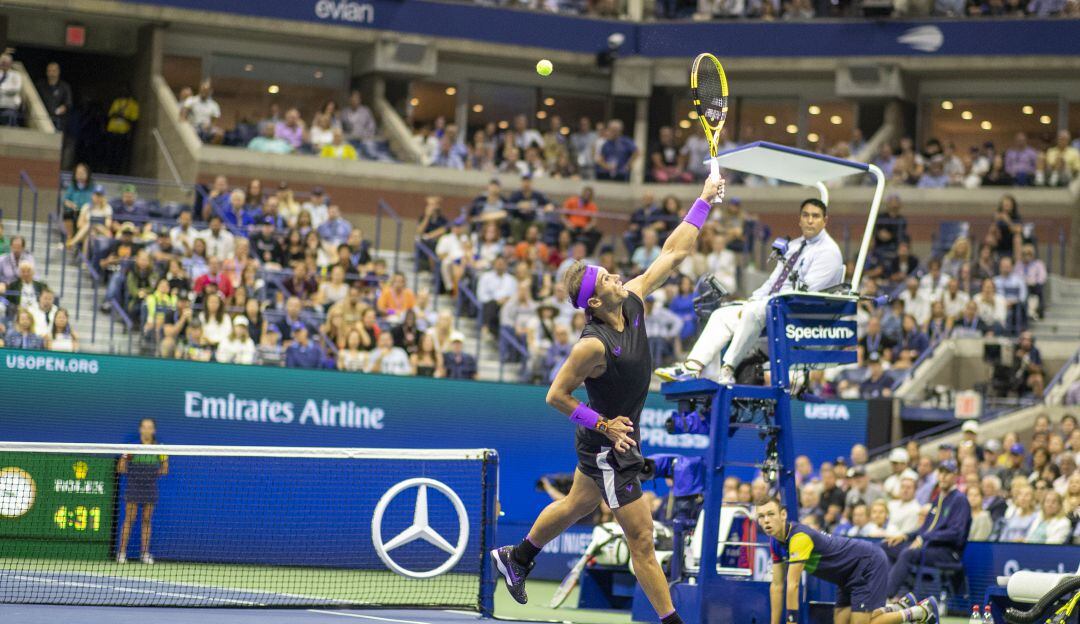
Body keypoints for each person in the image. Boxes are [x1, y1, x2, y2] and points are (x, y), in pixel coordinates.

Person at [489, 174, 724, 624]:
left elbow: (673, 252)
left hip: (613, 438)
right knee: (642, 541)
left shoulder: (632, 300)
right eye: (606, 278)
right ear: (595, 301)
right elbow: (555, 395)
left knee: (577, 504)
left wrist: (703, 199)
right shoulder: (592, 346)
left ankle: (517, 557)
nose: (616, 276)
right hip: (608, 447)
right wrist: (604, 425)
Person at [656, 197, 844, 384]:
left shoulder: (829, 252)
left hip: (798, 314)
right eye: (806, 215)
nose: (810, 220)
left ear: (825, 220)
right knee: (722, 314)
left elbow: (806, 293)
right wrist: (753, 300)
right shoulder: (794, 246)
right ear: (800, 219)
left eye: (815, 216)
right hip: (771, 307)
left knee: (754, 311)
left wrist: (763, 304)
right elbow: (773, 281)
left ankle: (728, 370)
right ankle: (692, 368)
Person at [757, 497, 939, 624]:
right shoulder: (775, 542)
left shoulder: (799, 537)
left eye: (771, 514)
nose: (766, 520)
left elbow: (793, 585)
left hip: (867, 563)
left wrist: (791, 621)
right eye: (761, 516)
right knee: (842, 621)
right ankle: (898, 606)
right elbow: (777, 586)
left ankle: (921, 611)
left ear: (783, 515)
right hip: (845, 575)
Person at [882, 459, 971, 600]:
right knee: (887, 546)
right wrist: (905, 536)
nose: (943, 476)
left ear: (955, 476)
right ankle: (900, 591)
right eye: (941, 472)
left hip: (948, 552)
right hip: (929, 547)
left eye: (947, 473)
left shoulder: (959, 499)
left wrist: (924, 538)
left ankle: (886, 596)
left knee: (908, 553)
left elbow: (956, 533)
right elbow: (924, 530)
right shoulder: (938, 499)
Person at [116, 418, 168, 565]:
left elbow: (165, 469)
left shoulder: (160, 449)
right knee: (129, 519)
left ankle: (145, 553)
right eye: (144, 427)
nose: (147, 430)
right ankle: (121, 553)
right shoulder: (132, 447)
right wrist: (134, 473)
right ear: (140, 429)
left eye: (150, 427)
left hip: (150, 487)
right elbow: (120, 467)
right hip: (134, 486)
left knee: (146, 520)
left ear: (154, 430)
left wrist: (150, 475)